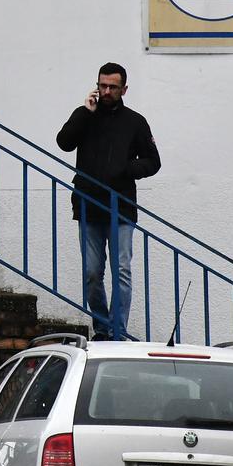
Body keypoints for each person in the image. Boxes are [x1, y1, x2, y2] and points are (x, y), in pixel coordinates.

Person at [55, 62, 162, 341]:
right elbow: (63, 142)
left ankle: (117, 329)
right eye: (103, 85)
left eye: (113, 87)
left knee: (122, 272)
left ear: (124, 89)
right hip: (89, 207)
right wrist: (83, 113)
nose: (107, 91)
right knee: (92, 273)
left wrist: (126, 170)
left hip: (121, 208)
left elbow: (153, 162)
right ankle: (102, 327)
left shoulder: (135, 122)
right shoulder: (85, 116)